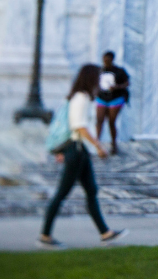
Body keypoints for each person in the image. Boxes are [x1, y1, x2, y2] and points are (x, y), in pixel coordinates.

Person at [39, 64, 125, 247]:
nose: (100, 80)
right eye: (98, 76)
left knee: (91, 191)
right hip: (76, 150)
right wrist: (99, 146)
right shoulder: (82, 98)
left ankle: (105, 233)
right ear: (91, 78)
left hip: (79, 150)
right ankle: (45, 236)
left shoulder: (78, 97)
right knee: (62, 193)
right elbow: (79, 127)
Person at [95, 51, 129, 155]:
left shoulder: (119, 71)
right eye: (104, 60)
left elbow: (127, 83)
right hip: (101, 97)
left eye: (108, 60)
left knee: (111, 121)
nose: (106, 62)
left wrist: (116, 87)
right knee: (99, 120)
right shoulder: (100, 71)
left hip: (115, 98)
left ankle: (114, 144)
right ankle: (96, 143)